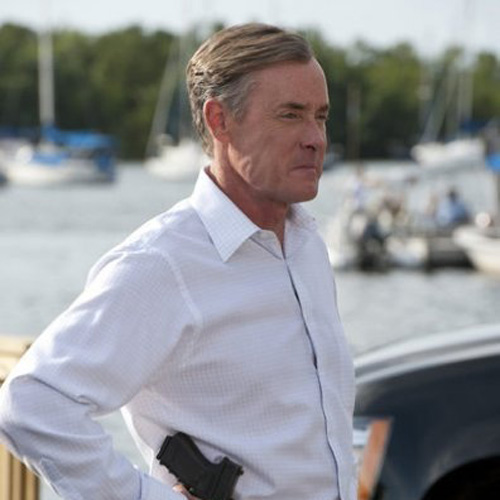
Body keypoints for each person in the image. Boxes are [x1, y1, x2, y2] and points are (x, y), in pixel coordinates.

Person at [0, 24, 356, 500]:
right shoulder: (162, 263)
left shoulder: (308, 243)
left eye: (320, 116)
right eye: (290, 115)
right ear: (220, 120)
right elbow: (32, 403)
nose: (315, 138)